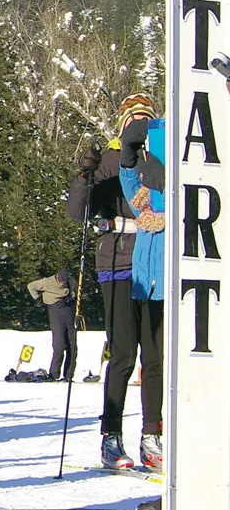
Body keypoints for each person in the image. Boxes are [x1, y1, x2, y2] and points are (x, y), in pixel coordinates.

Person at [67, 93, 163, 471]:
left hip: (154, 263)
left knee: (155, 355)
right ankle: (112, 436)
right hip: (119, 260)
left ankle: (151, 434)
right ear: (121, 124)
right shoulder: (109, 159)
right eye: (132, 119)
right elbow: (78, 212)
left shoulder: (158, 161)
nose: (138, 125)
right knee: (124, 352)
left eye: (145, 119)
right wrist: (84, 176)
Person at [117, 108, 164, 472]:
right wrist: (129, 156)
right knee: (139, 360)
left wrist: (167, 189)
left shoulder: (170, 178)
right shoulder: (144, 188)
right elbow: (130, 183)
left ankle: (155, 432)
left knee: (159, 361)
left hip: (171, 284)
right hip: (142, 283)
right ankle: (143, 436)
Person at [27, 270, 77, 381]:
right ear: (57, 278)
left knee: (72, 346)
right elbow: (31, 286)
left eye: (64, 282)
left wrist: (73, 296)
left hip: (68, 312)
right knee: (59, 346)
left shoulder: (70, 281)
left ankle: (68, 376)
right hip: (55, 312)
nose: (62, 284)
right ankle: (54, 374)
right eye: (61, 281)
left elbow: (76, 289)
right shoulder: (48, 282)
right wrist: (38, 299)